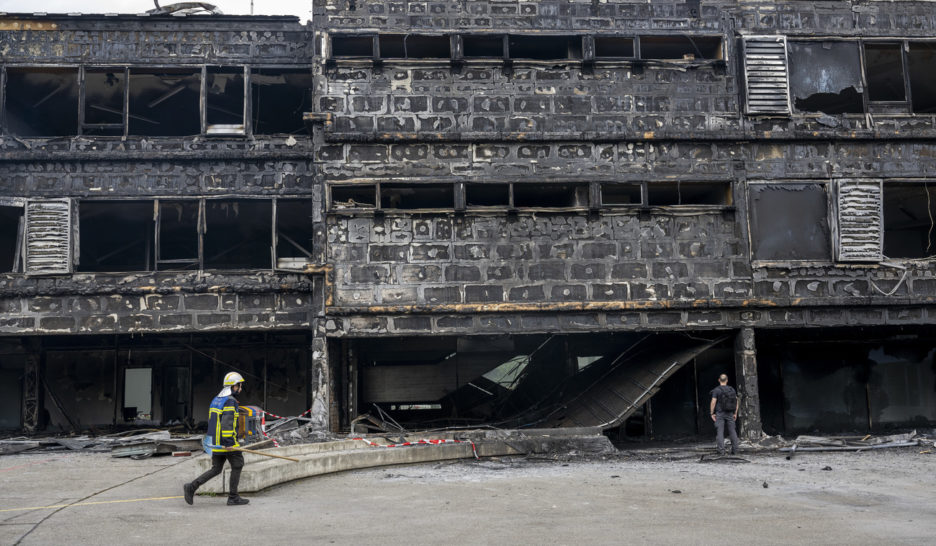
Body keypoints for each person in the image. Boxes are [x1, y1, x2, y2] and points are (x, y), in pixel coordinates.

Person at [183, 372, 250, 506]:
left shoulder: (216, 399)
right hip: (227, 442)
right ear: (234, 386)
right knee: (238, 464)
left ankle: (191, 487)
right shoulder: (230, 401)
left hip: (215, 442)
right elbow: (227, 424)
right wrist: (229, 443)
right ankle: (233, 497)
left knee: (216, 469)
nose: (240, 388)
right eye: (239, 385)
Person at [709, 374, 740, 456]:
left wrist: (712, 413)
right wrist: (735, 413)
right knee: (732, 431)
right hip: (730, 413)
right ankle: (735, 450)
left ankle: (721, 451)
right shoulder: (731, 389)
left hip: (720, 413)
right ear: (727, 380)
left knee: (720, 432)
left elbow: (713, 402)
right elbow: (736, 401)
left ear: (719, 380)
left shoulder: (716, 390)